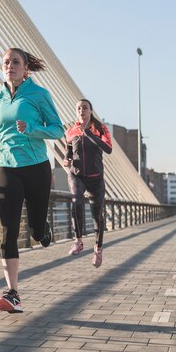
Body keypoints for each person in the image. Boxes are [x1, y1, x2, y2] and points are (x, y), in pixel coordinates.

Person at [0, 47, 64, 313]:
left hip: (36, 168)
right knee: (7, 233)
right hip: (7, 170)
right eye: (6, 62)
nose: (9, 66)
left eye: (15, 62)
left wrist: (31, 130)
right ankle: (13, 293)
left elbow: (57, 129)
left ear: (25, 68)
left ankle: (43, 230)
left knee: (36, 231)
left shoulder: (39, 95)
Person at [63, 99, 113, 268]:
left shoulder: (100, 128)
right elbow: (68, 149)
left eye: (85, 107)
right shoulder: (71, 130)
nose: (81, 110)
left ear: (91, 110)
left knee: (97, 216)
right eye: (78, 108)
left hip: (96, 177)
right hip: (77, 174)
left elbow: (108, 149)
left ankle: (98, 249)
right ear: (76, 111)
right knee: (76, 199)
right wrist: (66, 158)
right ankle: (78, 241)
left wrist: (89, 134)